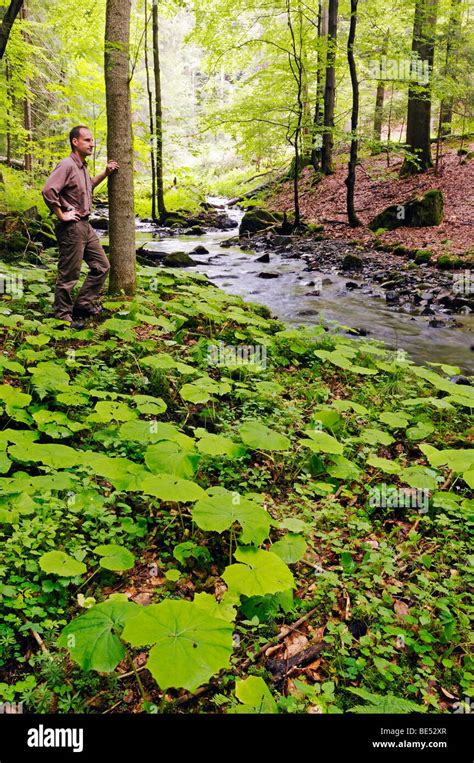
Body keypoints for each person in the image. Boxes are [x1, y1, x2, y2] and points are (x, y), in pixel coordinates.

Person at [42, 125, 119, 328]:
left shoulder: (82, 167)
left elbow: (89, 185)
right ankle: (63, 317)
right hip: (72, 228)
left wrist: (106, 172)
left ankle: (82, 305)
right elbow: (49, 191)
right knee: (69, 274)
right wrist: (62, 215)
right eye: (87, 140)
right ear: (75, 142)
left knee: (102, 266)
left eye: (92, 140)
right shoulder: (66, 165)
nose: (92, 143)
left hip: (86, 225)